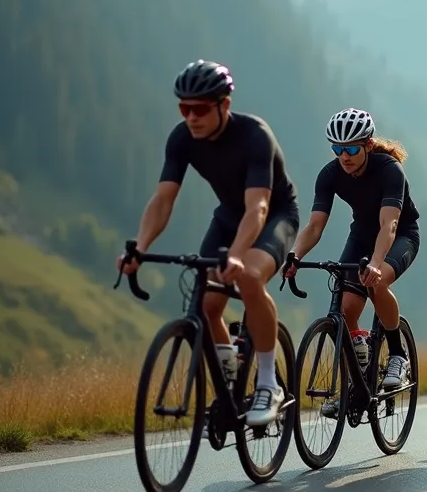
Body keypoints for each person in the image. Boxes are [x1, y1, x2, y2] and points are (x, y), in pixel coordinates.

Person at [119, 59, 300, 427]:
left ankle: (268, 383)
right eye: (184, 108)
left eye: (200, 108)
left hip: (275, 216)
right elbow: (163, 200)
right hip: (229, 217)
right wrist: (138, 246)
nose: (191, 117)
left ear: (224, 105)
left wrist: (235, 256)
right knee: (205, 302)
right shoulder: (182, 138)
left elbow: (259, 207)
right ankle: (230, 370)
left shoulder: (255, 136)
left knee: (248, 277)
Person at [285, 108, 420, 403]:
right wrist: (294, 255)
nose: (343, 156)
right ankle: (358, 377)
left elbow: (390, 224)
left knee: (377, 281)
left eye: (350, 148)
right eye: (337, 148)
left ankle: (398, 355)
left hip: (401, 235)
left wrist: (375, 263)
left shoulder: (389, 170)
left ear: (368, 145)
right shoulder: (330, 174)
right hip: (361, 235)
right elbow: (315, 225)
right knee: (346, 309)